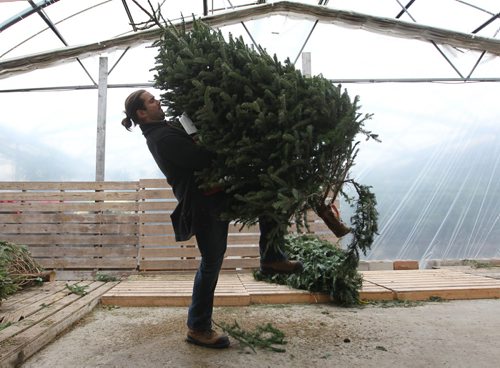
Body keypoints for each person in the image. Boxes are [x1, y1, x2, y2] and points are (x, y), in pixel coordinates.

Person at [121, 89, 302, 349]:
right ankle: (197, 327)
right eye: (151, 101)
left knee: (270, 197)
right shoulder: (161, 138)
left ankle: (272, 258)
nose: (157, 101)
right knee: (211, 262)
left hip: (218, 192)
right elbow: (202, 159)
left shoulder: (166, 127)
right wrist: (227, 143)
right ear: (141, 113)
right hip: (203, 203)